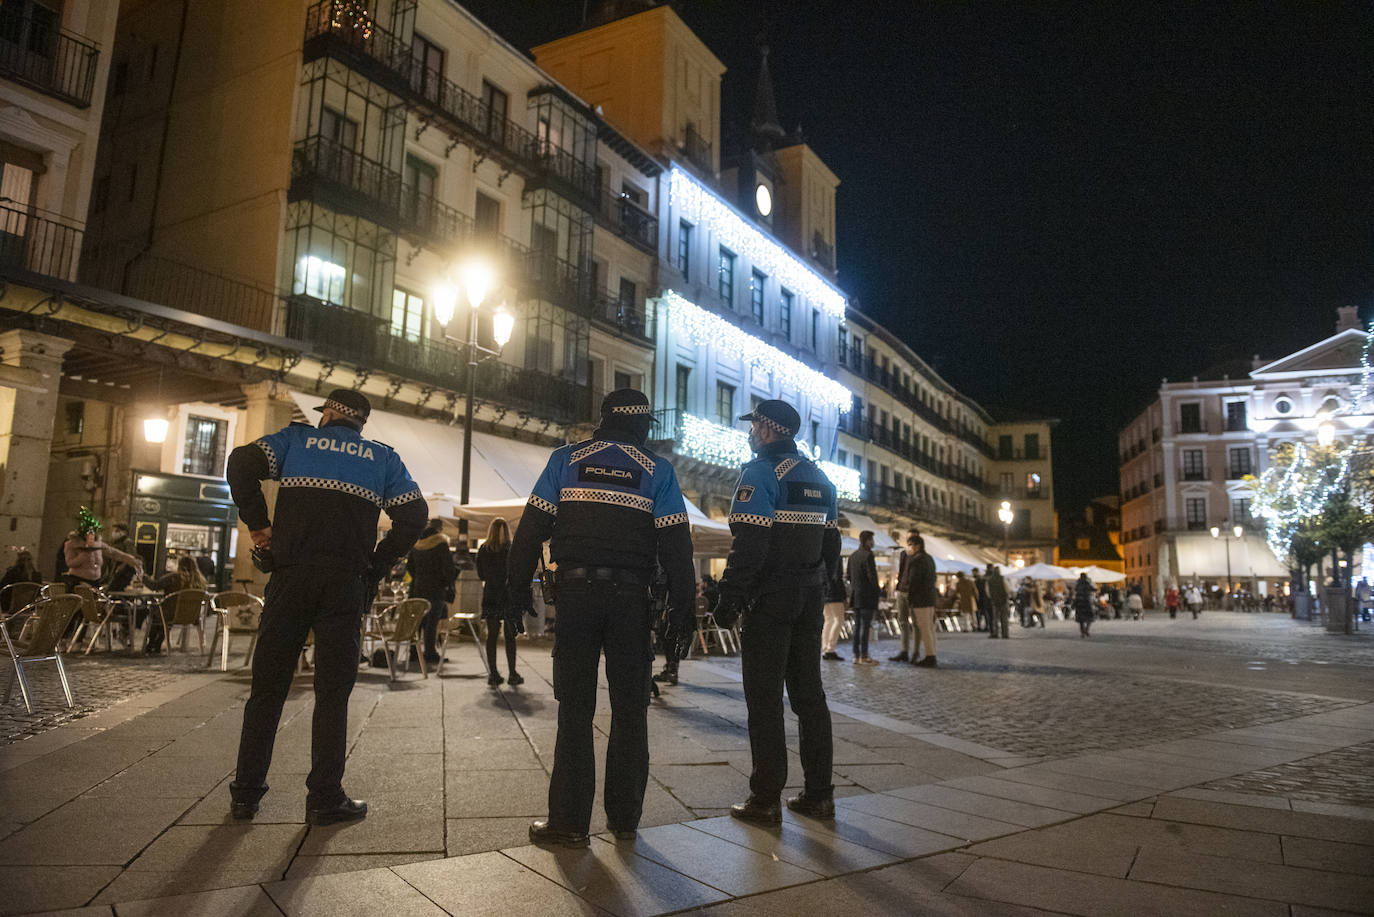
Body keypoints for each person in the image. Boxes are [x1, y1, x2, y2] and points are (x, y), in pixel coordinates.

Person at [226, 388, 426, 826]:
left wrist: (260, 526)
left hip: (291, 577)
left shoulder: (296, 443)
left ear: (331, 414)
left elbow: (241, 462)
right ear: (361, 423)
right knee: (332, 693)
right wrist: (376, 565)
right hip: (345, 584)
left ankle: (245, 793)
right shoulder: (382, 458)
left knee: (268, 689)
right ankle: (324, 797)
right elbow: (414, 516)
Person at [507, 389, 696, 848]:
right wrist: (684, 609)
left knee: (575, 708)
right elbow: (677, 547)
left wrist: (512, 592)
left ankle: (569, 823)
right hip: (633, 599)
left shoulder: (566, 459)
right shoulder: (659, 470)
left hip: (575, 595)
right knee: (631, 709)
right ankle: (625, 817)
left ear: (603, 420)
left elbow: (531, 528)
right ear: (644, 426)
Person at [712, 399, 841, 826]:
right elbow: (832, 545)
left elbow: (750, 541)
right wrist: (826, 588)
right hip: (810, 595)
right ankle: (819, 794)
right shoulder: (821, 478)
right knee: (810, 697)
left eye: (754, 427)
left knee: (764, 699)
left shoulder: (761, 472)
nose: (750, 434)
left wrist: (729, 597)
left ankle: (765, 798)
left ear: (768, 430)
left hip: (771, 597)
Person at [476, 517, 522, 686]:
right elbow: (517, 572)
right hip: (508, 596)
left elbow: (480, 574)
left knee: (492, 636)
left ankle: (493, 674)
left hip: (491, 596)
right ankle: (512, 674)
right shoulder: (512, 549)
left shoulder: (483, 549)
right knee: (510, 637)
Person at [407, 518, 456, 667]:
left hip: (418, 587)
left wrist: (418, 578)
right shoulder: (441, 542)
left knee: (418, 622)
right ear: (439, 528)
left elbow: (410, 566)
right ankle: (430, 653)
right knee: (432, 622)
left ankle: (414, 652)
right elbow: (448, 567)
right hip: (436, 588)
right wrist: (448, 582)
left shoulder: (417, 543)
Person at [63, 508, 141, 591]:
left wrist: (130, 559)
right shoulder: (72, 544)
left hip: (95, 581)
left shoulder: (98, 543)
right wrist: (85, 554)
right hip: (78, 581)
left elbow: (112, 552)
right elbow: (70, 563)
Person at [905, 534, 938, 667]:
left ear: (917, 546)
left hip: (920, 599)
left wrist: (910, 597)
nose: (910, 548)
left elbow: (913, 581)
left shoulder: (917, 560)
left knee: (924, 628)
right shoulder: (929, 559)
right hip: (930, 597)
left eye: (910, 545)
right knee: (930, 628)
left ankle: (930, 656)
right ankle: (932, 653)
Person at [847, 531, 879, 665]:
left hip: (856, 596)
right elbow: (872, 577)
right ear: (866, 541)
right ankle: (864, 656)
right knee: (865, 627)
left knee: (857, 626)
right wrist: (877, 592)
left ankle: (856, 655)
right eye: (871, 540)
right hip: (867, 597)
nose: (873, 543)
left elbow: (848, 576)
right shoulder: (868, 556)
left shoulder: (853, 556)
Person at [889, 533, 918, 662]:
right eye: (908, 540)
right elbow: (902, 571)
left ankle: (915, 652)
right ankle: (904, 651)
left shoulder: (920, 557)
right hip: (902, 591)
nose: (909, 543)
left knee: (916, 624)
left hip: (913, 593)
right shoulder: (903, 554)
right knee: (902, 622)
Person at [820, 558, 847, 661]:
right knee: (838, 620)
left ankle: (825, 648)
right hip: (835, 594)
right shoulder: (836, 558)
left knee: (829, 621)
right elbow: (837, 577)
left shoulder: (822, 557)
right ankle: (830, 649)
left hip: (824, 593)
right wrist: (843, 595)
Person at [985, 563, 1009, 638]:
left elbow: (987, 591)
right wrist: (1006, 596)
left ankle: (995, 633)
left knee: (995, 618)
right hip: (1003, 600)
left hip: (994, 600)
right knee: (1004, 617)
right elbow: (1007, 588)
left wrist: (991, 597)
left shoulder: (989, 580)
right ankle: (1005, 633)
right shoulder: (1002, 578)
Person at [1073, 572, 1098, 637]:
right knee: (1090, 617)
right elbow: (1094, 589)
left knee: (1081, 619)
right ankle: (1086, 630)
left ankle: (1083, 632)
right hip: (1087, 602)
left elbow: (1075, 591)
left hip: (1079, 602)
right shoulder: (1088, 583)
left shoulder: (1078, 584)